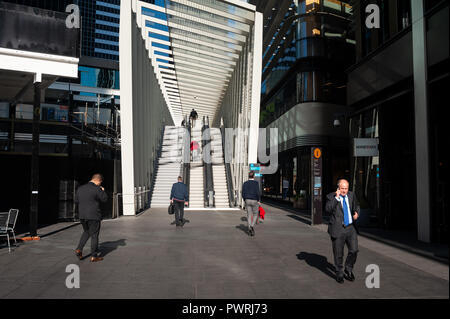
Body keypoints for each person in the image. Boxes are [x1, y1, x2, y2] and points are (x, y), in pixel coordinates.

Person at [325, 179, 360, 283]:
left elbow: (357, 206)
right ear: (338, 188)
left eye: (346, 188)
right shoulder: (331, 196)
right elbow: (328, 209)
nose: (344, 191)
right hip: (338, 228)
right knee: (338, 254)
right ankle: (339, 273)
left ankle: (348, 269)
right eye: (342, 188)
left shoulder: (351, 195)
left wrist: (357, 213)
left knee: (354, 250)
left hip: (350, 227)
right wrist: (336, 197)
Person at [74, 174, 108, 262]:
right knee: (94, 235)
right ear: (99, 181)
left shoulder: (80, 188)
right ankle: (94, 256)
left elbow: (76, 200)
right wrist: (102, 190)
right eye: (100, 183)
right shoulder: (97, 189)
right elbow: (104, 199)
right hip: (94, 215)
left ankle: (79, 249)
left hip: (82, 215)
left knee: (86, 232)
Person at [242, 171, 261, 236]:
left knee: (249, 215)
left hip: (247, 200)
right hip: (254, 200)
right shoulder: (256, 183)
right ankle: (252, 226)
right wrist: (258, 200)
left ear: (248, 176)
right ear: (254, 176)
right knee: (255, 214)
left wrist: (245, 199)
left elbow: (243, 193)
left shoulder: (245, 183)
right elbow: (258, 192)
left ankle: (249, 227)